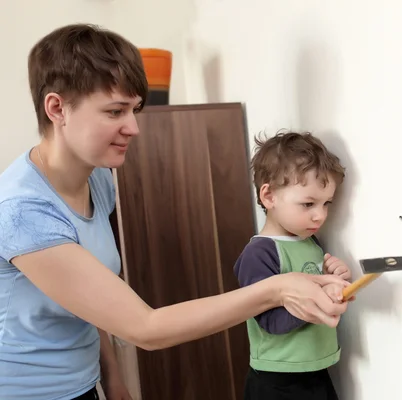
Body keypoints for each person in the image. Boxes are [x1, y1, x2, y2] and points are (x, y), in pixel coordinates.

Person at [0, 24, 349, 400]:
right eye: (115, 111)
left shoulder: (97, 181)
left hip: (83, 382)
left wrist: (112, 377)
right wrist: (277, 288)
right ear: (57, 108)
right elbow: (145, 327)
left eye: (134, 110)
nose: (133, 127)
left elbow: (89, 297)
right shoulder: (24, 212)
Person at [234, 131, 352, 400]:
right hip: (277, 381)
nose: (320, 214)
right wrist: (320, 299)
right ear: (269, 196)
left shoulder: (311, 242)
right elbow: (271, 322)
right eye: (309, 203)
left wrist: (335, 279)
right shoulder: (259, 253)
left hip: (316, 370)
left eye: (326, 204)